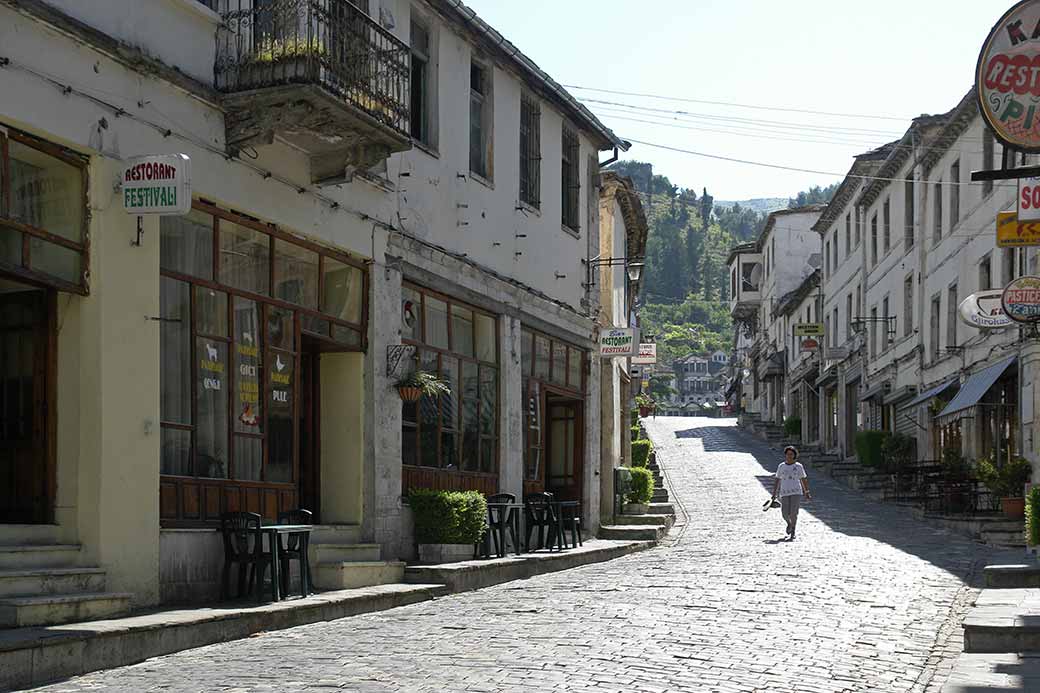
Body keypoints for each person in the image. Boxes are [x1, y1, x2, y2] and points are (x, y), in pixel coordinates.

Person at [770, 445, 811, 540]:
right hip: (784, 492)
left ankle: (793, 530)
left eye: (791, 454)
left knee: (793, 513)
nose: (789, 456)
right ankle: (789, 523)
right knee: (784, 513)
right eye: (788, 454)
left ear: (794, 455)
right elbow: (777, 479)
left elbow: (803, 479)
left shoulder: (799, 466)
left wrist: (806, 491)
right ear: (785, 455)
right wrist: (774, 493)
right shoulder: (781, 466)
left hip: (796, 492)